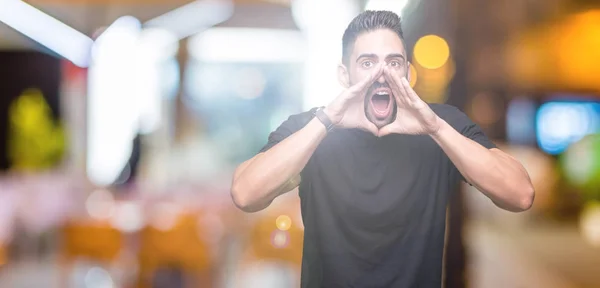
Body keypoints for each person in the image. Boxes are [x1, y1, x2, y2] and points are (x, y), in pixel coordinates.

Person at [230, 10, 535, 288]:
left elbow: (520, 195)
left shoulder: (441, 125)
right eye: (367, 63)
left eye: (393, 62)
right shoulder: (311, 128)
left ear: (406, 72)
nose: (382, 74)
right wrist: (327, 121)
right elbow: (246, 194)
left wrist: (436, 128)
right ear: (344, 75)